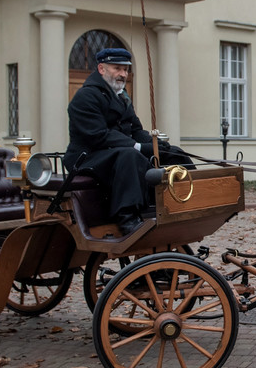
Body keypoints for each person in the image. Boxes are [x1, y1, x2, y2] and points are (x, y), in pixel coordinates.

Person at [65, 47, 194, 235]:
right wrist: (139, 146)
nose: (123, 74)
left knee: (173, 153)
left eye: (125, 70)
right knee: (130, 156)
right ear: (102, 69)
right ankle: (127, 218)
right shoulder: (85, 97)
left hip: (114, 152)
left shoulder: (122, 96)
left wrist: (156, 144)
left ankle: (186, 202)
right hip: (87, 157)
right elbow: (98, 135)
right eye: (117, 68)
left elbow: (135, 130)